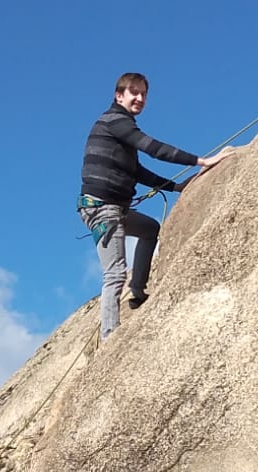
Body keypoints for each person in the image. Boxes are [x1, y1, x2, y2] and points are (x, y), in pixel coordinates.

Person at [79, 72, 234, 339]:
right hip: (102, 208)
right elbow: (152, 148)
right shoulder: (115, 122)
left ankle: (137, 292)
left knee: (150, 228)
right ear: (119, 96)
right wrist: (201, 161)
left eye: (143, 94)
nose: (139, 98)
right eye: (133, 93)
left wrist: (174, 187)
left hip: (115, 208)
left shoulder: (120, 130)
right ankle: (109, 337)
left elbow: (137, 170)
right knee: (115, 273)